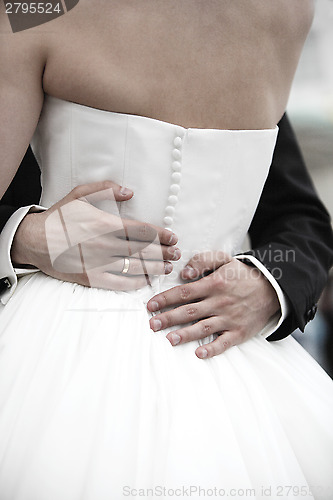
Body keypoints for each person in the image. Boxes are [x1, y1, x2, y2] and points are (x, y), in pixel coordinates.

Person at [0, 1, 333, 499]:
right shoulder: (289, 9)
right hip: (94, 347)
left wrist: (268, 284)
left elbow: (300, 220)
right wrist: (26, 237)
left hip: (207, 344)